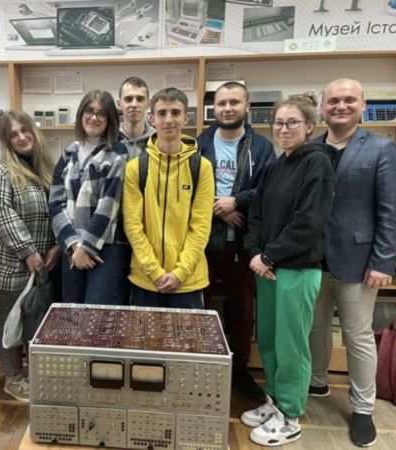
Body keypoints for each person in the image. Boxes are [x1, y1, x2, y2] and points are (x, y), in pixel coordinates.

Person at [309, 78, 396, 448]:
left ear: (363, 105)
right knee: (314, 329)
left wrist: (383, 261)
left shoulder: (382, 148)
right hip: (312, 261)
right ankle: (316, 382)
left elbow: (392, 211)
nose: (340, 106)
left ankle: (363, 408)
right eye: (333, 100)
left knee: (358, 336)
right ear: (322, 108)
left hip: (359, 262)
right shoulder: (310, 148)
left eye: (349, 100)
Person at [241, 93, 336, 447]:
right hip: (267, 269)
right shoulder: (274, 168)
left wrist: (269, 256)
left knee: (291, 345)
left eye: (292, 122)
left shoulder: (318, 163)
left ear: (310, 126)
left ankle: (291, 414)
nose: (283, 129)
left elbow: (309, 221)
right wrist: (255, 252)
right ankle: (276, 401)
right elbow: (255, 215)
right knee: (269, 340)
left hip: (296, 269)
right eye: (278, 123)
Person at [196, 81, 276, 403]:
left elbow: (269, 189)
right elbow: (185, 189)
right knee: (199, 308)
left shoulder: (262, 147)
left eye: (234, 102)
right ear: (213, 108)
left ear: (247, 106)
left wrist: (237, 201)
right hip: (203, 243)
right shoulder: (199, 144)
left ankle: (239, 370)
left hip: (245, 244)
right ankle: (201, 366)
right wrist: (219, 210)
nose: (227, 108)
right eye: (221, 103)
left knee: (243, 312)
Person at [0, 110, 61, 404]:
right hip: (9, 269)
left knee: (34, 323)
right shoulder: (1, 172)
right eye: (13, 134)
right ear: (6, 141)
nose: (21, 137)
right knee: (10, 323)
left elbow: (59, 210)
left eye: (24, 130)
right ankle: (13, 379)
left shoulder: (48, 167)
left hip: (42, 266)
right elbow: (2, 215)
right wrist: (28, 250)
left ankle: (34, 374)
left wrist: (57, 246)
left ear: (34, 131)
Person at [122, 87, 214, 308]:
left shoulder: (202, 167)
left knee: (187, 334)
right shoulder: (136, 168)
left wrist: (181, 272)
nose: (169, 119)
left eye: (175, 112)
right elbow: (133, 225)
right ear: (152, 119)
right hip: (146, 279)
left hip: (188, 280)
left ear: (186, 118)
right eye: (162, 113)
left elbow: (201, 226)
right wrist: (154, 271)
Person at [49, 90, 129, 305]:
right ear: (80, 114)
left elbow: (109, 205)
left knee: (99, 317)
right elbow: (55, 204)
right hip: (72, 249)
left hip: (105, 249)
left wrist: (86, 247)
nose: (94, 118)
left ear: (110, 120)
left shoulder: (118, 153)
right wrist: (75, 246)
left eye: (102, 113)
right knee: (72, 314)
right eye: (89, 111)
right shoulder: (68, 154)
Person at [117, 76, 155, 159]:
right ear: (119, 104)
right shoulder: (109, 139)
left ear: (148, 104)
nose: (134, 104)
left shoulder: (158, 141)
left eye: (140, 99)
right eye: (128, 99)